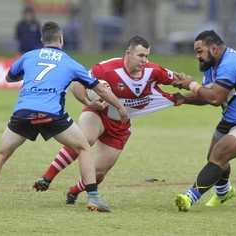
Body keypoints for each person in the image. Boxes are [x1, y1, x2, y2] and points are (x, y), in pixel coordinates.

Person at [0, 21, 128, 212]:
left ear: (42, 40)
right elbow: (100, 89)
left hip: (23, 112)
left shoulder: (28, 56)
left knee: (1, 153)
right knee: (83, 147)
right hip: (51, 115)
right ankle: (93, 197)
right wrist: (119, 107)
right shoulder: (70, 62)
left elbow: (9, 77)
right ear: (61, 39)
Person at [33, 35, 184, 205]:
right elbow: (76, 85)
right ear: (128, 53)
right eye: (141, 55)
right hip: (98, 114)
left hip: (119, 127)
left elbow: (179, 80)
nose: (145, 60)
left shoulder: (152, 71)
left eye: (147, 56)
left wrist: (194, 87)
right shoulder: (106, 68)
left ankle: (74, 190)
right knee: (83, 140)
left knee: (99, 173)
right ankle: (47, 177)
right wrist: (89, 102)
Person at [172, 30, 236, 212]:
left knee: (220, 152)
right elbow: (208, 95)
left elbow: (215, 98)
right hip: (230, 119)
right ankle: (224, 191)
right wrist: (184, 98)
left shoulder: (230, 63)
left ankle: (189, 197)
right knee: (214, 158)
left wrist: (191, 84)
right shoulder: (212, 65)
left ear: (214, 48)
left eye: (199, 51)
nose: (197, 56)